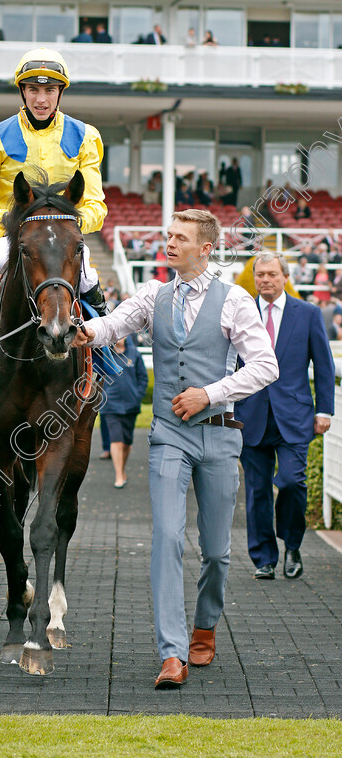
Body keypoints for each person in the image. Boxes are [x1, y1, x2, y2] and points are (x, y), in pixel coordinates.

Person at [73, 209, 278, 689]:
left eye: (180, 238)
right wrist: (87, 330)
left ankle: (204, 627)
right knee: (165, 538)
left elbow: (265, 365)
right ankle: (171, 653)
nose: (169, 243)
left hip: (222, 433)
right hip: (169, 435)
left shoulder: (236, 301)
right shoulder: (153, 295)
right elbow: (116, 324)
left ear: (205, 249)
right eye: (168, 235)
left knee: (216, 552)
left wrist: (211, 392)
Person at [0, 48, 108, 335]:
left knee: (87, 277)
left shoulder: (87, 136)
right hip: (15, 237)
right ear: (22, 91)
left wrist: (68, 225)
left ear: (61, 92)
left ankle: (104, 346)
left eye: (50, 89)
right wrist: (10, 223)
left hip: (63, 238)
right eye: (33, 89)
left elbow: (96, 204)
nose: (41, 99)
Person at [235, 252, 335, 581]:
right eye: (260, 274)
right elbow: (229, 364)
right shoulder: (239, 310)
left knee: (292, 482)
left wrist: (324, 410)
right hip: (250, 416)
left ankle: (292, 545)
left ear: (285, 277)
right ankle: (264, 558)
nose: (265, 279)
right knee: (257, 490)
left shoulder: (307, 314)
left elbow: (323, 365)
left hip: (294, 416)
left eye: (272, 274)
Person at [100, 336, 148, 488]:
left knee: (127, 442)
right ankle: (119, 475)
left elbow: (143, 378)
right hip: (111, 405)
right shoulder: (105, 354)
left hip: (130, 405)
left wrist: (137, 396)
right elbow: (98, 377)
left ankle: (122, 470)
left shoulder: (134, 354)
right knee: (116, 440)